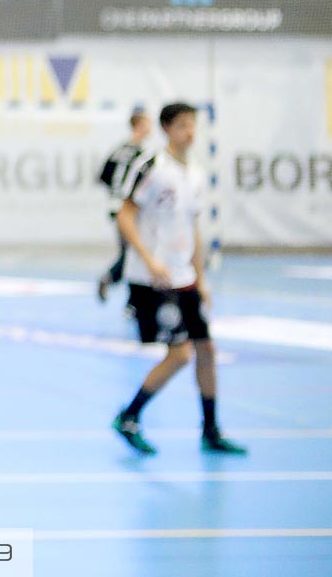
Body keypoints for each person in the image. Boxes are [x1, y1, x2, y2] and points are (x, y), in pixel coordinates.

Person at [111, 102, 245, 457]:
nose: (191, 132)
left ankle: (211, 430)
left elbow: (193, 229)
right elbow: (124, 216)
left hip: (184, 276)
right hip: (154, 278)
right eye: (183, 125)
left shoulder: (196, 174)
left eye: (193, 125)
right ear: (167, 128)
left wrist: (201, 279)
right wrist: (149, 259)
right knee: (180, 354)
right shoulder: (152, 167)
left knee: (206, 350)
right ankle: (129, 415)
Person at [95, 108, 152, 303]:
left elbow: (103, 176)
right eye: (147, 124)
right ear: (139, 126)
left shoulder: (118, 150)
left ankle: (130, 299)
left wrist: (115, 195)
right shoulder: (143, 154)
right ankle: (113, 280)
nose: (150, 128)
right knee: (134, 253)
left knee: (129, 252)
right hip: (129, 209)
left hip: (114, 206)